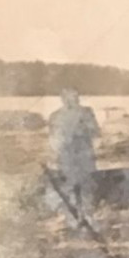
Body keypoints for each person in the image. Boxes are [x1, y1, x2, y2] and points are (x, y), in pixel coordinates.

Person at [47, 88, 99, 218]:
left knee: (86, 183)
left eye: (74, 97)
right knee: (68, 183)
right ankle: (70, 214)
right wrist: (59, 149)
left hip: (83, 152)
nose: (71, 100)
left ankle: (88, 213)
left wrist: (81, 132)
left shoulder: (86, 112)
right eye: (68, 97)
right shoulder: (55, 116)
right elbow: (53, 137)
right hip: (66, 155)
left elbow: (95, 131)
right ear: (62, 99)